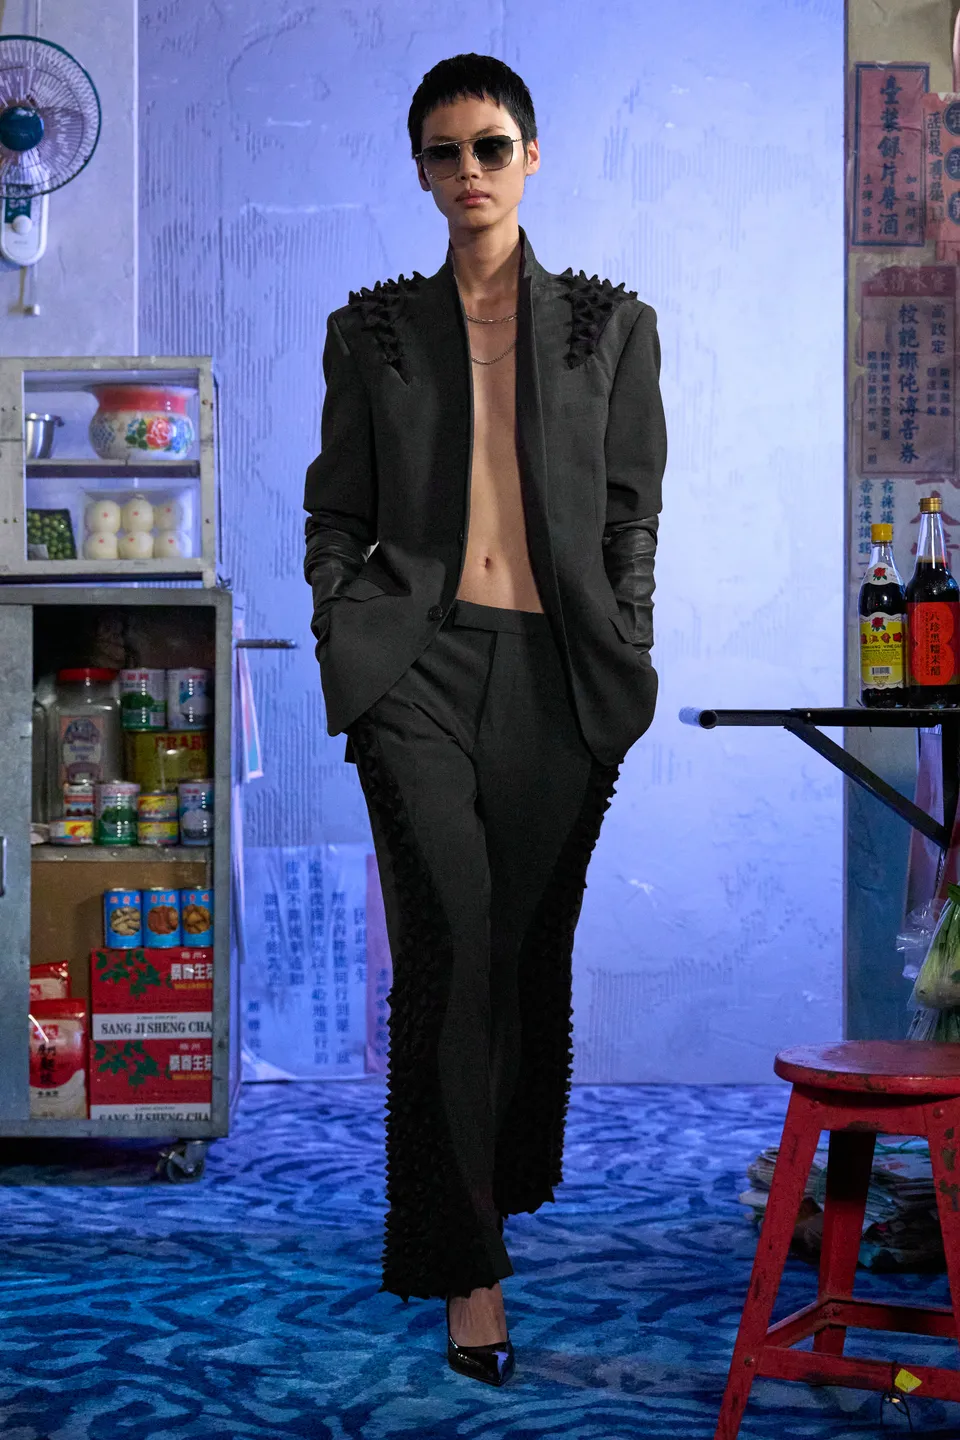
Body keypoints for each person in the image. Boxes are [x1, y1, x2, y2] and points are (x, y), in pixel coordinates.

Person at [303, 52, 666, 1386]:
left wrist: (627, 633)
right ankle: (469, 1272)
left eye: (491, 146)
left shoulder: (611, 327)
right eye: (445, 151)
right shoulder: (374, 331)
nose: (470, 170)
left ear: (531, 157)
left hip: (561, 674)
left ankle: (491, 1192)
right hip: (418, 670)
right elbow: (336, 506)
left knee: (520, 955)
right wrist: (347, 622)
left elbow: (632, 506)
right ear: (419, 171)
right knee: (449, 948)